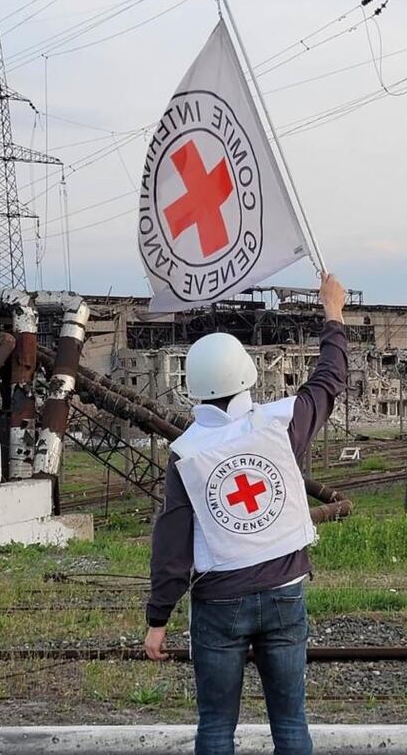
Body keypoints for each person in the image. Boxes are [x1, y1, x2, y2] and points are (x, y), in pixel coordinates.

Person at [144, 273, 348, 755]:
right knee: (291, 724)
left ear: (191, 388)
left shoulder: (186, 454)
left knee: (216, 727)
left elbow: (172, 546)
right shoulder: (283, 423)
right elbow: (329, 377)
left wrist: (158, 619)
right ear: (248, 376)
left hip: (218, 605)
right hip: (284, 593)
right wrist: (332, 312)